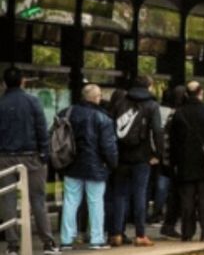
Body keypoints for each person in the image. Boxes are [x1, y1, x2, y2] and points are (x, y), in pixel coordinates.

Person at [0, 68, 59, 255]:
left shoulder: (0, 103)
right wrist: (44, 155)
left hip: (5, 158)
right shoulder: (33, 102)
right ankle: (48, 243)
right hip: (32, 157)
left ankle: (12, 245)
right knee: (38, 200)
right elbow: (41, 129)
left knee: (8, 199)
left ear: (4, 84)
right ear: (23, 81)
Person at [59, 84, 118, 251]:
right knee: (95, 202)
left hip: (70, 164)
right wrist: (112, 164)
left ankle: (66, 239)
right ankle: (96, 239)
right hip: (95, 166)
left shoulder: (67, 112)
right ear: (96, 97)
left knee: (70, 201)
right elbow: (108, 146)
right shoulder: (103, 118)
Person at [109, 76, 164, 247]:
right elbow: (157, 131)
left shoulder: (120, 102)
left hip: (121, 156)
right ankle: (140, 235)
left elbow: (111, 128)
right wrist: (158, 154)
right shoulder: (152, 105)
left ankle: (117, 233)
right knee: (140, 194)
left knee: (119, 194)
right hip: (142, 156)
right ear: (149, 86)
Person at [170, 81, 204, 241]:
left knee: (187, 200)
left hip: (184, 162)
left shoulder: (179, 113)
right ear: (201, 93)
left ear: (187, 93)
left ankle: (187, 232)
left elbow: (173, 141)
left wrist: (173, 164)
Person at [159, 86, 187, 240]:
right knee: (176, 195)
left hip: (169, 161)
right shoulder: (179, 115)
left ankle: (169, 224)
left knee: (173, 194)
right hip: (177, 162)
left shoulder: (172, 115)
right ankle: (169, 224)